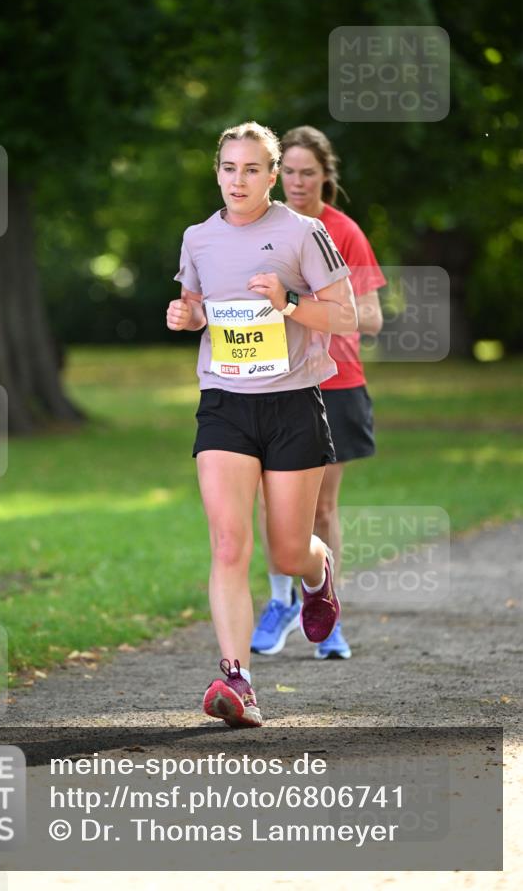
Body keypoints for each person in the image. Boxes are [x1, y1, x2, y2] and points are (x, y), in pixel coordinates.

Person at [166, 121, 358, 727]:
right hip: (224, 402)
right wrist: (187, 316)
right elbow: (200, 307)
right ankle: (238, 681)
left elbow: (346, 317)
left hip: (293, 403)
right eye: (229, 168)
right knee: (228, 543)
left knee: (287, 549)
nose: (239, 180)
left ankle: (317, 573)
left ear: (272, 176)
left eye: (252, 169)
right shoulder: (198, 238)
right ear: (217, 172)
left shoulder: (303, 232)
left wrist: (290, 302)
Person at [250, 126, 386, 660]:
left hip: (335, 384)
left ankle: (327, 615)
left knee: (321, 508)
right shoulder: (260, 225)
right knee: (269, 502)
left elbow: (370, 317)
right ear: (276, 174)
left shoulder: (342, 231)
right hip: (272, 378)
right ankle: (281, 600)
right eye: (289, 171)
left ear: (326, 176)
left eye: (309, 173)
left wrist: (306, 306)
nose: (299, 182)